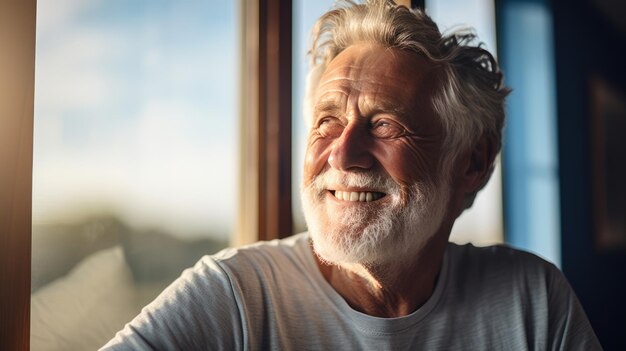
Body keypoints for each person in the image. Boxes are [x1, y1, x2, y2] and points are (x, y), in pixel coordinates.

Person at [102, 0, 601, 349]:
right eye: (327, 122)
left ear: (471, 162)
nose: (342, 155)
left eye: (385, 124)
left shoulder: (531, 297)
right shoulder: (234, 295)